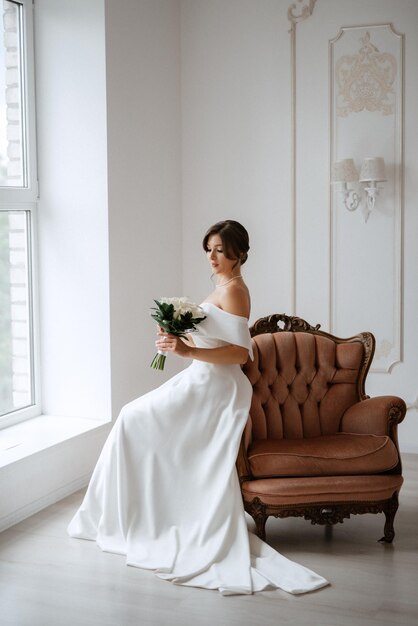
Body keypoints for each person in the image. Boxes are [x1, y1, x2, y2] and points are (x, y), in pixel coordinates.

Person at [68, 220, 328, 596]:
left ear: (239, 253)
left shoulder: (236, 290)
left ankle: (151, 519)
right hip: (200, 379)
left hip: (217, 387)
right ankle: (142, 515)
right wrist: (177, 339)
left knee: (132, 419)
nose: (212, 257)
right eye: (209, 249)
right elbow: (215, 336)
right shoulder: (220, 287)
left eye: (220, 250)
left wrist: (188, 350)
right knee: (133, 420)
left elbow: (241, 352)